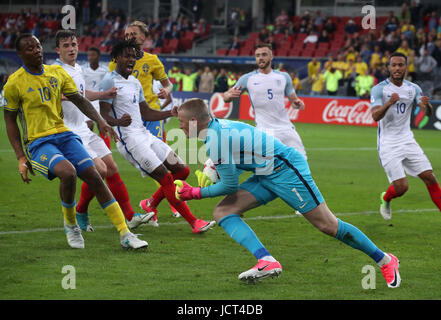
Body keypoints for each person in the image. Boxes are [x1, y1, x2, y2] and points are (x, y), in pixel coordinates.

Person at [173, 98, 401, 288]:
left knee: (328, 225)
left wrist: (194, 192)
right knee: (224, 211)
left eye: (182, 122)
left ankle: (385, 260)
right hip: (266, 172)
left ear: (194, 121)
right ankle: (266, 260)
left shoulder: (215, 139)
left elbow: (230, 186)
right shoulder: (217, 127)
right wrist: (217, 168)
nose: (180, 127)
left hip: (287, 171)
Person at [3, 34, 148, 249]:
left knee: (96, 176)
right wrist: (20, 157)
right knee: (68, 173)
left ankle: (125, 234)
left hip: (65, 135)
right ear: (20, 54)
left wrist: (100, 120)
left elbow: (80, 99)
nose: (37, 51)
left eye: (38, 46)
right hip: (39, 143)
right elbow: (10, 120)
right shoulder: (14, 83)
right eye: (30, 48)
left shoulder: (57, 72)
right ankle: (71, 224)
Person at [100, 39, 216, 234]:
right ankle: (194, 222)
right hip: (131, 142)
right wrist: (118, 122)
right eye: (126, 56)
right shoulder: (109, 80)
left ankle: (150, 203)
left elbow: (146, 113)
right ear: (116, 57)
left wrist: (169, 113)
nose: (131, 59)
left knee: (182, 170)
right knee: (167, 178)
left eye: (133, 56)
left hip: (145, 135)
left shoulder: (135, 82)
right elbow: (102, 114)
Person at [53, 30, 153, 232]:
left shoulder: (78, 69)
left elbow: (82, 94)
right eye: (66, 46)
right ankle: (78, 213)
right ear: (58, 50)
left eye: (73, 44)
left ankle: (127, 216)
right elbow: (59, 94)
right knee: (99, 169)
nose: (71, 49)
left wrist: (103, 95)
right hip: (69, 131)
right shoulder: (55, 70)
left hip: (84, 127)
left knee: (111, 168)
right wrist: (66, 97)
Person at [110, 20, 175, 226]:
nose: (128, 36)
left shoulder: (152, 60)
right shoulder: (117, 60)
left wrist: (168, 92)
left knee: (163, 162)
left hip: (150, 115)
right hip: (130, 120)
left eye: (133, 34)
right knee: (152, 166)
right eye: (126, 33)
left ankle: (167, 203)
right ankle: (157, 204)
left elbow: (168, 84)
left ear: (143, 38)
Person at [370, 52, 441, 220]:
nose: (397, 68)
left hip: (407, 140)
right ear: (388, 68)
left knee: (430, 178)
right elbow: (375, 116)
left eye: (400, 65)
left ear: (406, 68)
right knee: (401, 188)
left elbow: (427, 112)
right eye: (393, 65)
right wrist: (389, 103)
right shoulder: (379, 89)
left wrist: (427, 106)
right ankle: (385, 198)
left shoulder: (413, 88)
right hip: (388, 144)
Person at [223, 43, 307, 159]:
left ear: (271, 57)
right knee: (269, 169)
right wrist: (229, 95)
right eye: (257, 55)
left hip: (286, 128)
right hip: (265, 130)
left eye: (264, 54)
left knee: (301, 161)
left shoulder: (284, 77)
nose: (260, 58)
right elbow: (226, 97)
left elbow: (293, 100)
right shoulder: (247, 79)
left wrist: (297, 103)